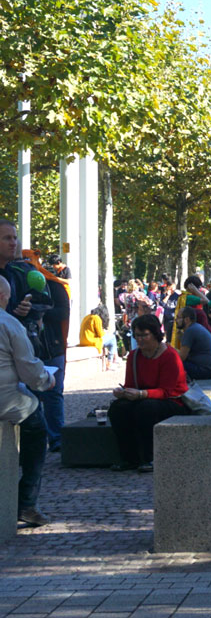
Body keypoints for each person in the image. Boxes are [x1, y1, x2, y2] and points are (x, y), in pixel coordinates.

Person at [0, 220, 69, 453]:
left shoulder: (21, 274)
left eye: (14, 237)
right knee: (33, 410)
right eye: (6, 238)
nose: (13, 243)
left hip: (37, 351)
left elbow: (50, 308)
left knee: (44, 400)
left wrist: (26, 312)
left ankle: (49, 444)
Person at [0, 276, 57, 527]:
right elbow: (29, 370)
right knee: (37, 424)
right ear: (4, 296)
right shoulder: (9, 323)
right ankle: (27, 502)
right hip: (5, 399)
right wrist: (47, 380)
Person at [108, 314, 191, 473]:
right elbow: (130, 385)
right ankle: (128, 458)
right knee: (118, 408)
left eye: (144, 335)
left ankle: (149, 458)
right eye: (137, 335)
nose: (139, 339)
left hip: (173, 401)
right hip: (143, 398)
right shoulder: (134, 356)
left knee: (146, 409)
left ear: (155, 334)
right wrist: (123, 393)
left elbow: (167, 391)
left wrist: (142, 394)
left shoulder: (170, 356)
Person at [174, 307, 211, 381]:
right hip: (210, 370)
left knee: (172, 363)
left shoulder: (190, 331)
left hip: (205, 371)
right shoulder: (195, 327)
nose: (176, 320)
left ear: (187, 319)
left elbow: (181, 357)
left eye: (178, 317)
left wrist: (169, 350)